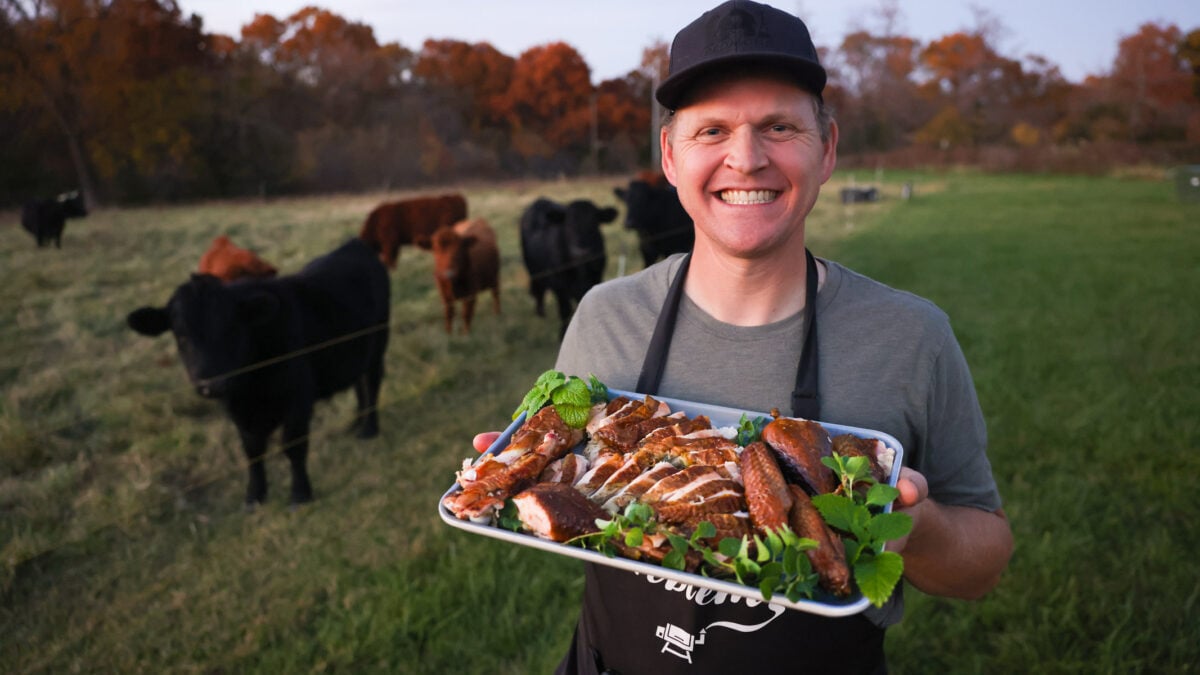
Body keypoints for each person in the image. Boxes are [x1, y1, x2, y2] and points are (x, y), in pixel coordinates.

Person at [473, 1, 1012, 672]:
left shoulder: (911, 336)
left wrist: (917, 527)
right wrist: (511, 471)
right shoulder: (605, 317)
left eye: (779, 126)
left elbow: (984, 563)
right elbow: (573, 496)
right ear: (670, 156)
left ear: (829, 149)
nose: (746, 158)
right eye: (713, 130)